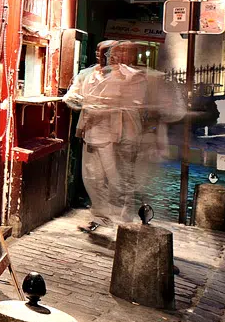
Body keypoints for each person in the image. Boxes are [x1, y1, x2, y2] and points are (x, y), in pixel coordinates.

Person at [63, 42, 182, 229]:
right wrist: (85, 103)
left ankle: (124, 221)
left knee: (120, 179)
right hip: (93, 132)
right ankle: (100, 217)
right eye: (102, 53)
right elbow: (71, 97)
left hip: (123, 136)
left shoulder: (134, 77)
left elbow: (138, 104)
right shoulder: (86, 75)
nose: (107, 57)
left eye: (112, 53)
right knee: (93, 178)